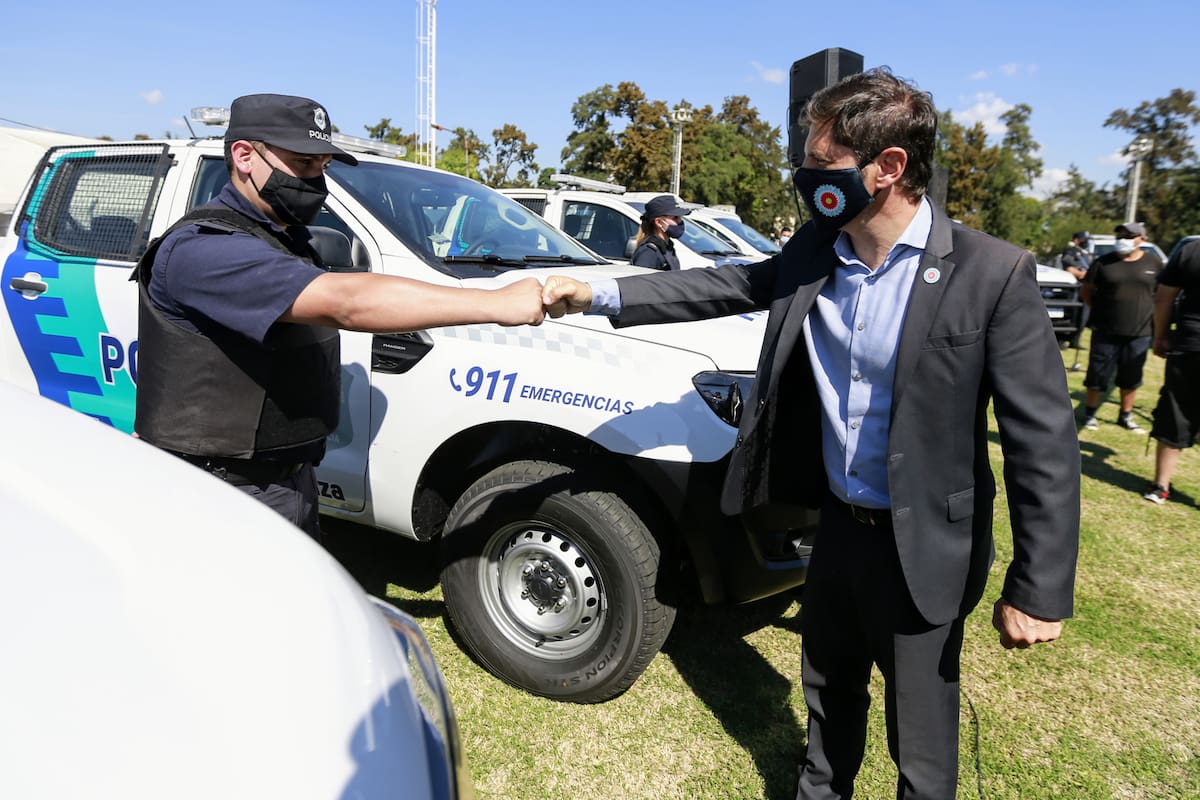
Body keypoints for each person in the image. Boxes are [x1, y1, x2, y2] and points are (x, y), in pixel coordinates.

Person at [543, 68, 1079, 799]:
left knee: (920, 739)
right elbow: (720, 285)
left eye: (821, 166)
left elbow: (1042, 444)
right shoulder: (815, 252)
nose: (805, 179)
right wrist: (597, 290)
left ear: (888, 168)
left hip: (926, 546)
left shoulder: (993, 274)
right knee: (829, 698)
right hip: (834, 530)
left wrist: (1039, 588)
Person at [133, 93, 545, 540]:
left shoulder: (284, 240)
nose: (316, 181)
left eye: (323, 166)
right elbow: (346, 301)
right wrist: (498, 302)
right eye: (303, 165)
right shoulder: (206, 249)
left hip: (286, 476)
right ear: (245, 156)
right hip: (223, 488)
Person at [1077, 221, 1164, 432]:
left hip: (1139, 333)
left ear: (1141, 239)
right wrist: (1100, 310)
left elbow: (1162, 294)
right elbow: (1086, 291)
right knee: (1098, 374)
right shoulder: (1103, 262)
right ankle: (1089, 413)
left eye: (1128, 236)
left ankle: (1125, 415)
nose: (1122, 240)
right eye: (1120, 236)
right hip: (1106, 330)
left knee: (1131, 377)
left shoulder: (1154, 263)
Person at [1143, 237, 1200, 503]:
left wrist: (1161, 335)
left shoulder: (1191, 249)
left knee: (1176, 410)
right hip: (1190, 343)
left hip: (1190, 344)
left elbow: (1163, 298)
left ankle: (1160, 486)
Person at [629, 194, 691, 270]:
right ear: (658, 222)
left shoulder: (667, 247)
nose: (680, 222)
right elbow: (642, 280)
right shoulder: (649, 252)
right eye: (675, 217)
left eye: (680, 218)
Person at [1061, 231, 1092, 363]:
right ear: (1076, 240)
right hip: (1074, 288)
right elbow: (1068, 266)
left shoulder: (1086, 253)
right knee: (1072, 315)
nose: (1087, 241)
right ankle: (1061, 340)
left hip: (1085, 287)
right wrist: (1080, 273)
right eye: (1084, 239)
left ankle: (1075, 340)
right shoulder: (1071, 251)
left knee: (1083, 317)